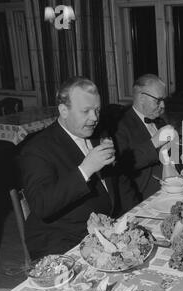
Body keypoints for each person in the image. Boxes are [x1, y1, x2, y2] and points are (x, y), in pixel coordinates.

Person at [20, 77, 128, 260]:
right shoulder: (36, 149)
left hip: (103, 230)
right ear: (63, 110)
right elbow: (42, 205)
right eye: (86, 111)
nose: (94, 118)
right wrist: (85, 169)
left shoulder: (97, 134)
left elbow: (117, 183)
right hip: (61, 240)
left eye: (97, 110)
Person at [115, 74, 177, 202]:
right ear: (141, 98)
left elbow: (172, 157)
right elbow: (123, 165)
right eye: (158, 100)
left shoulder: (160, 120)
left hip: (172, 190)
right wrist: (154, 142)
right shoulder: (119, 125)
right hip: (144, 197)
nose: (163, 106)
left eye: (164, 100)